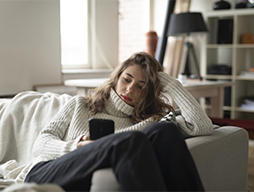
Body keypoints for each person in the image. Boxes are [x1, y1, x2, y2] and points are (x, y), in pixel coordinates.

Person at [24, 52, 214, 192]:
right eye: (127, 79)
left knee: (165, 130)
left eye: (141, 86)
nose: (130, 89)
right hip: (47, 172)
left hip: (88, 176)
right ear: (116, 78)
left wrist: (171, 84)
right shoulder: (80, 105)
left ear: (149, 92)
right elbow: (40, 144)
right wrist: (78, 145)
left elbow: (202, 126)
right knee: (131, 140)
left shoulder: (150, 121)